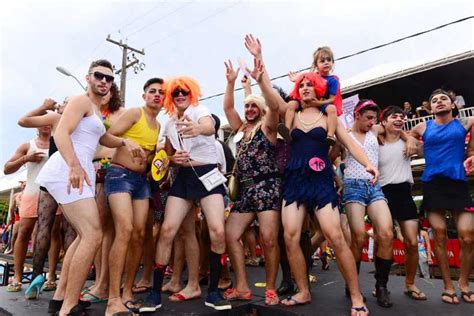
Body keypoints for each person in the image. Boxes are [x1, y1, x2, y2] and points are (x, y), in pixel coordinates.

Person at [262, 68, 379, 315]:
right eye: (301, 85)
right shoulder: (291, 113)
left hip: (321, 180)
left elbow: (349, 142)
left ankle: (356, 295)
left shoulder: (329, 116)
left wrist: (367, 163)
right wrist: (260, 70)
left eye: (309, 84)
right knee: (290, 237)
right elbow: (272, 98)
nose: (305, 88)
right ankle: (303, 290)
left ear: (319, 89)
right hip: (295, 178)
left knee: (334, 235)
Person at [35, 59, 142, 316]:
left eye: (109, 78)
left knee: (86, 236)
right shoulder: (80, 101)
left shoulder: (94, 109)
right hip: (67, 172)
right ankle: (68, 307)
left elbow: (101, 137)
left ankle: (61, 298)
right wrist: (73, 165)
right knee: (93, 235)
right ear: (88, 77)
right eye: (99, 76)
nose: (104, 81)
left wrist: (124, 142)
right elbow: (61, 134)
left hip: (79, 174)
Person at [139, 76, 231, 312]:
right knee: (168, 230)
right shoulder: (169, 124)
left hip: (207, 173)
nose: (180, 95)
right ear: (171, 96)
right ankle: (154, 294)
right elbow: (166, 155)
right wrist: (172, 159)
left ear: (192, 93)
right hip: (183, 177)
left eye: (184, 91)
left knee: (217, 230)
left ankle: (213, 291)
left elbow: (209, 126)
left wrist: (198, 128)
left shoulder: (201, 110)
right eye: (176, 92)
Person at [342, 100, 416, 308]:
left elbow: (396, 128)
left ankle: (381, 286)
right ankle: (352, 284)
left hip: (374, 186)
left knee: (386, 233)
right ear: (357, 115)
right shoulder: (345, 135)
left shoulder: (375, 129)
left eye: (374, 118)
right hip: (352, 186)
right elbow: (333, 158)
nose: (372, 122)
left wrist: (408, 137)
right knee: (359, 236)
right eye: (368, 118)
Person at [222, 53, 281, 305]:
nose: (249, 109)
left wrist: (259, 80)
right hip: (245, 190)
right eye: (247, 106)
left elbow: (276, 107)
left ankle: (270, 288)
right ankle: (243, 287)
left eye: (253, 105)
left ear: (261, 109)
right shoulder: (240, 130)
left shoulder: (268, 126)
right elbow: (227, 108)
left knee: (268, 239)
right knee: (230, 234)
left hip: (267, 186)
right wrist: (230, 82)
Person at [103, 78, 163, 315]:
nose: (157, 95)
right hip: (119, 176)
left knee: (140, 235)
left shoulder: (158, 126)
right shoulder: (133, 113)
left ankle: (127, 292)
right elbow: (105, 138)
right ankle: (112, 299)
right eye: (152, 91)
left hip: (142, 182)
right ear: (144, 95)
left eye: (160, 92)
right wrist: (125, 141)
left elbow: (150, 159)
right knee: (125, 230)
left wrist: (158, 161)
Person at [410, 88, 474, 305]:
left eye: (443, 99)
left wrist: (472, 153)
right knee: (438, 234)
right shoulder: (423, 126)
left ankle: (464, 283)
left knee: (467, 235)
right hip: (432, 184)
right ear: (431, 107)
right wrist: (413, 144)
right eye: (434, 100)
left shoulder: (465, 123)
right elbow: (404, 135)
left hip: (458, 183)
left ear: (453, 104)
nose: (439, 102)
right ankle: (448, 286)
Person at [17, 97, 74, 299]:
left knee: (64, 230)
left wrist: (46, 108)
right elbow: (23, 121)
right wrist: (45, 107)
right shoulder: (65, 120)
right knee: (50, 228)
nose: (64, 103)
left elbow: (23, 120)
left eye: (68, 101)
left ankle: (50, 279)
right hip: (59, 177)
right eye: (65, 101)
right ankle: (41, 278)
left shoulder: (61, 119)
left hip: (66, 177)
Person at [81, 82, 125, 304]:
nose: (104, 93)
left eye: (109, 90)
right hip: (92, 172)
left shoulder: (123, 114)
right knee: (95, 230)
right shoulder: (91, 113)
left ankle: (105, 284)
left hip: (114, 172)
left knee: (108, 230)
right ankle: (98, 281)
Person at [378, 105, 427, 300]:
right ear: (384, 121)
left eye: (401, 117)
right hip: (382, 195)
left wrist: (411, 140)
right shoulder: (376, 141)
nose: (399, 119)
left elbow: (426, 152)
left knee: (412, 243)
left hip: (404, 193)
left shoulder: (409, 142)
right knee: (385, 241)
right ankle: (381, 285)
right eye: (393, 117)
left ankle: (410, 284)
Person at [3, 126, 50, 293]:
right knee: (23, 232)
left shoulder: (58, 143)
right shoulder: (27, 145)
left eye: (49, 120)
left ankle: (51, 277)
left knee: (53, 234)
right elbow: (7, 168)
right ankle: (17, 276)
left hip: (52, 193)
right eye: (42, 120)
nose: (46, 124)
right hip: (31, 191)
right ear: (36, 125)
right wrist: (26, 159)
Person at [283, 46, 342, 146]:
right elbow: (304, 81)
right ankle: (286, 129)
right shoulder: (313, 76)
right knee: (291, 104)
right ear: (316, 65)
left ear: (333, 62)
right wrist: (297, 80)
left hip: (322, 103)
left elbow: (332, 99)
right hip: (307, 103)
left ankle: (331, 135)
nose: (326, 62)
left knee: (332, 109)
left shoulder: (333, 80)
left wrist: (319, 103)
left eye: (329, 60)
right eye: (322, 61)